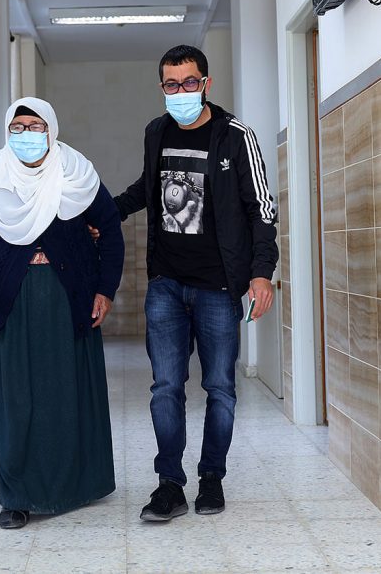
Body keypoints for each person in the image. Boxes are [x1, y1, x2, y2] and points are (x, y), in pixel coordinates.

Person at [116, 44, 279, 521]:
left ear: (205, 84)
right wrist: (103, 213)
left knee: (220, 388)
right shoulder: (156, 131)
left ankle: (211, 478)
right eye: (172, 84)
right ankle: (169, 484)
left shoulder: (236, 135)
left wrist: (261, 273)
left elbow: (262, 209)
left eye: (189, 82)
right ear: (162, 87)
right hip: (167, 284)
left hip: (218, 288)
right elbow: (146, 190)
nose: (181, 91)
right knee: (165, 387)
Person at [0, 97, 124, 529]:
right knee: (17, 400)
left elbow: (110, 230)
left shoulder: (77, 174)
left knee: (69, 394)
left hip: (70, 298)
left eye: (35, 126)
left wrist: (105, 289)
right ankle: (16, 497)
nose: (26, 135)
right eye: (18, 127)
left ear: (51, 129)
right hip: (12, 300)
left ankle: (77, 485)